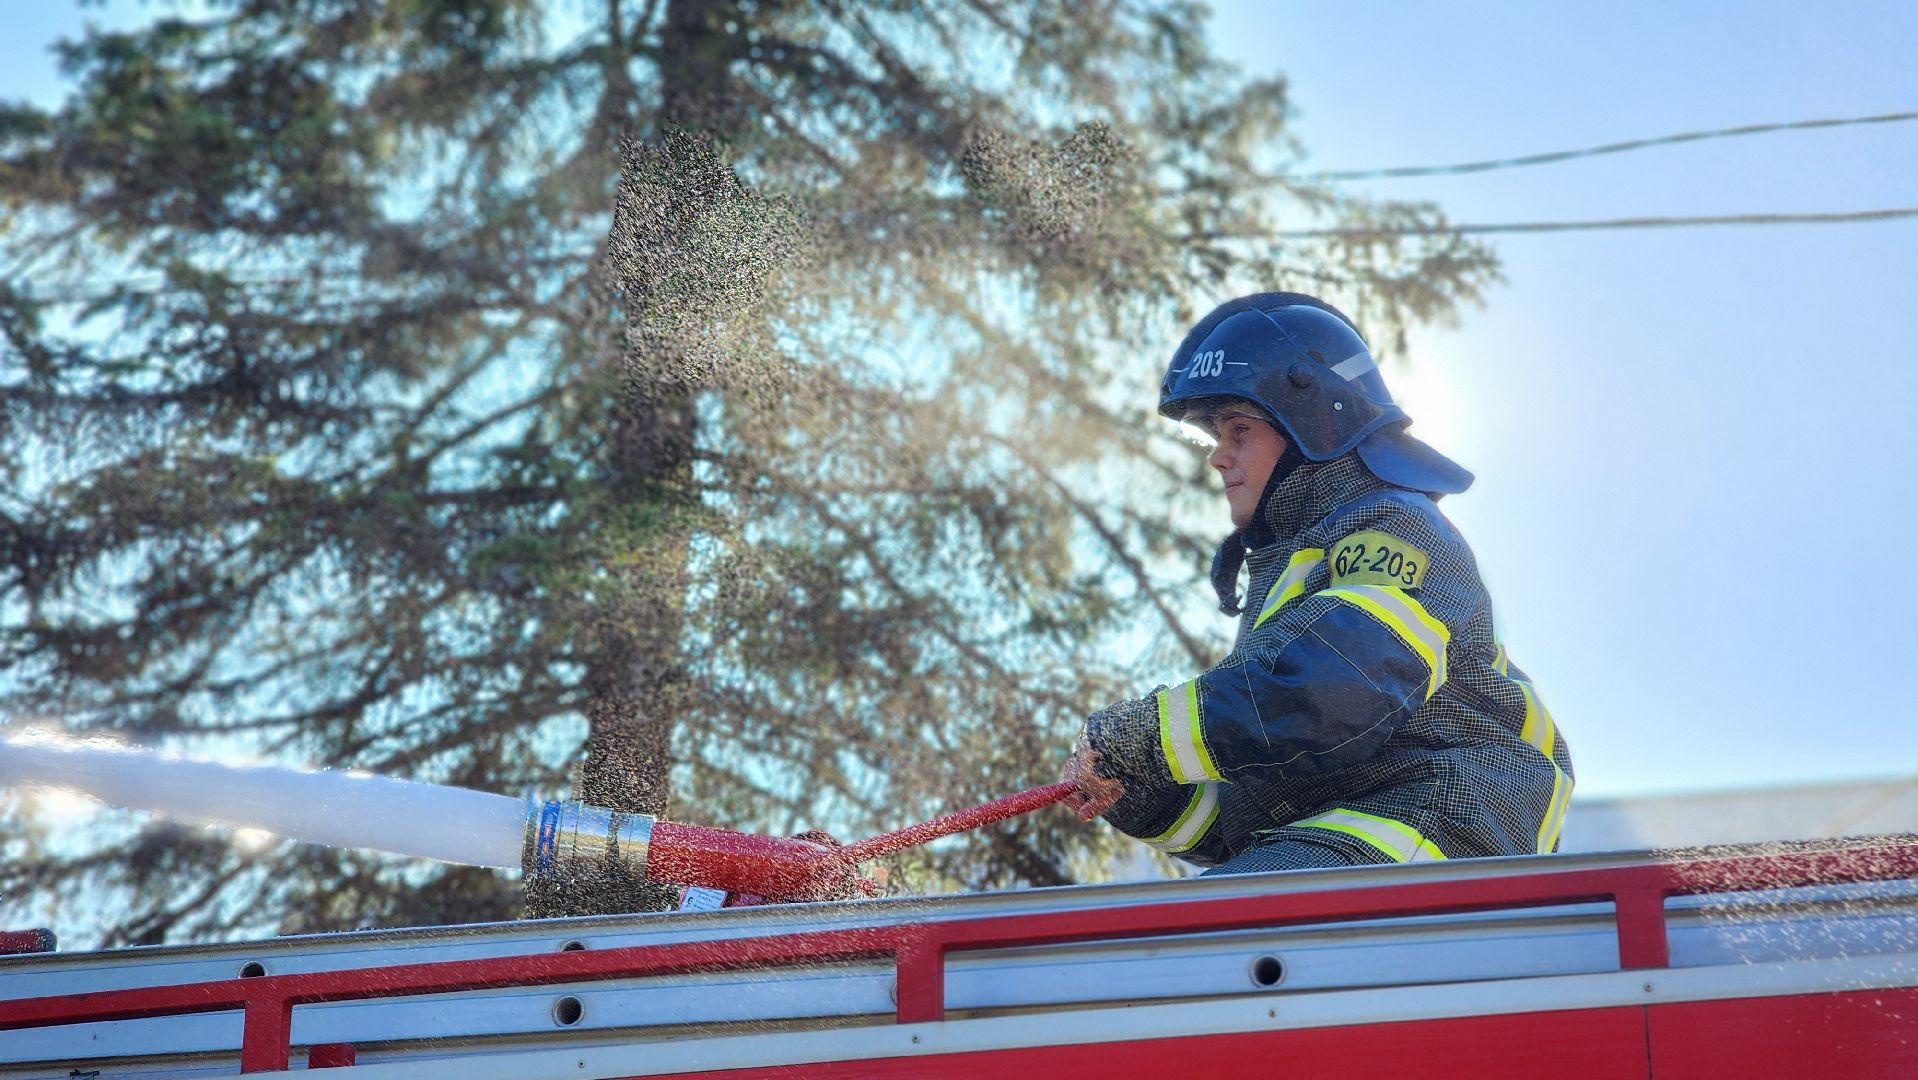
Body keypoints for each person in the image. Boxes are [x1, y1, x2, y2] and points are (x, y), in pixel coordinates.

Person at [1062, 292, 1572, 874]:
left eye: (1238, 430)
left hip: (1440, 816)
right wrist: (1145, 793)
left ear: (1314, 419)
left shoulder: (1392, 528)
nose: (1218, 457)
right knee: (1203, 923)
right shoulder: (1289, 578)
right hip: (1343, 833)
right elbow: (1248, 821)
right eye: (1214, 437)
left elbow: (1333, 692)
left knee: (1201, 930)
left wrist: (1151, 737)